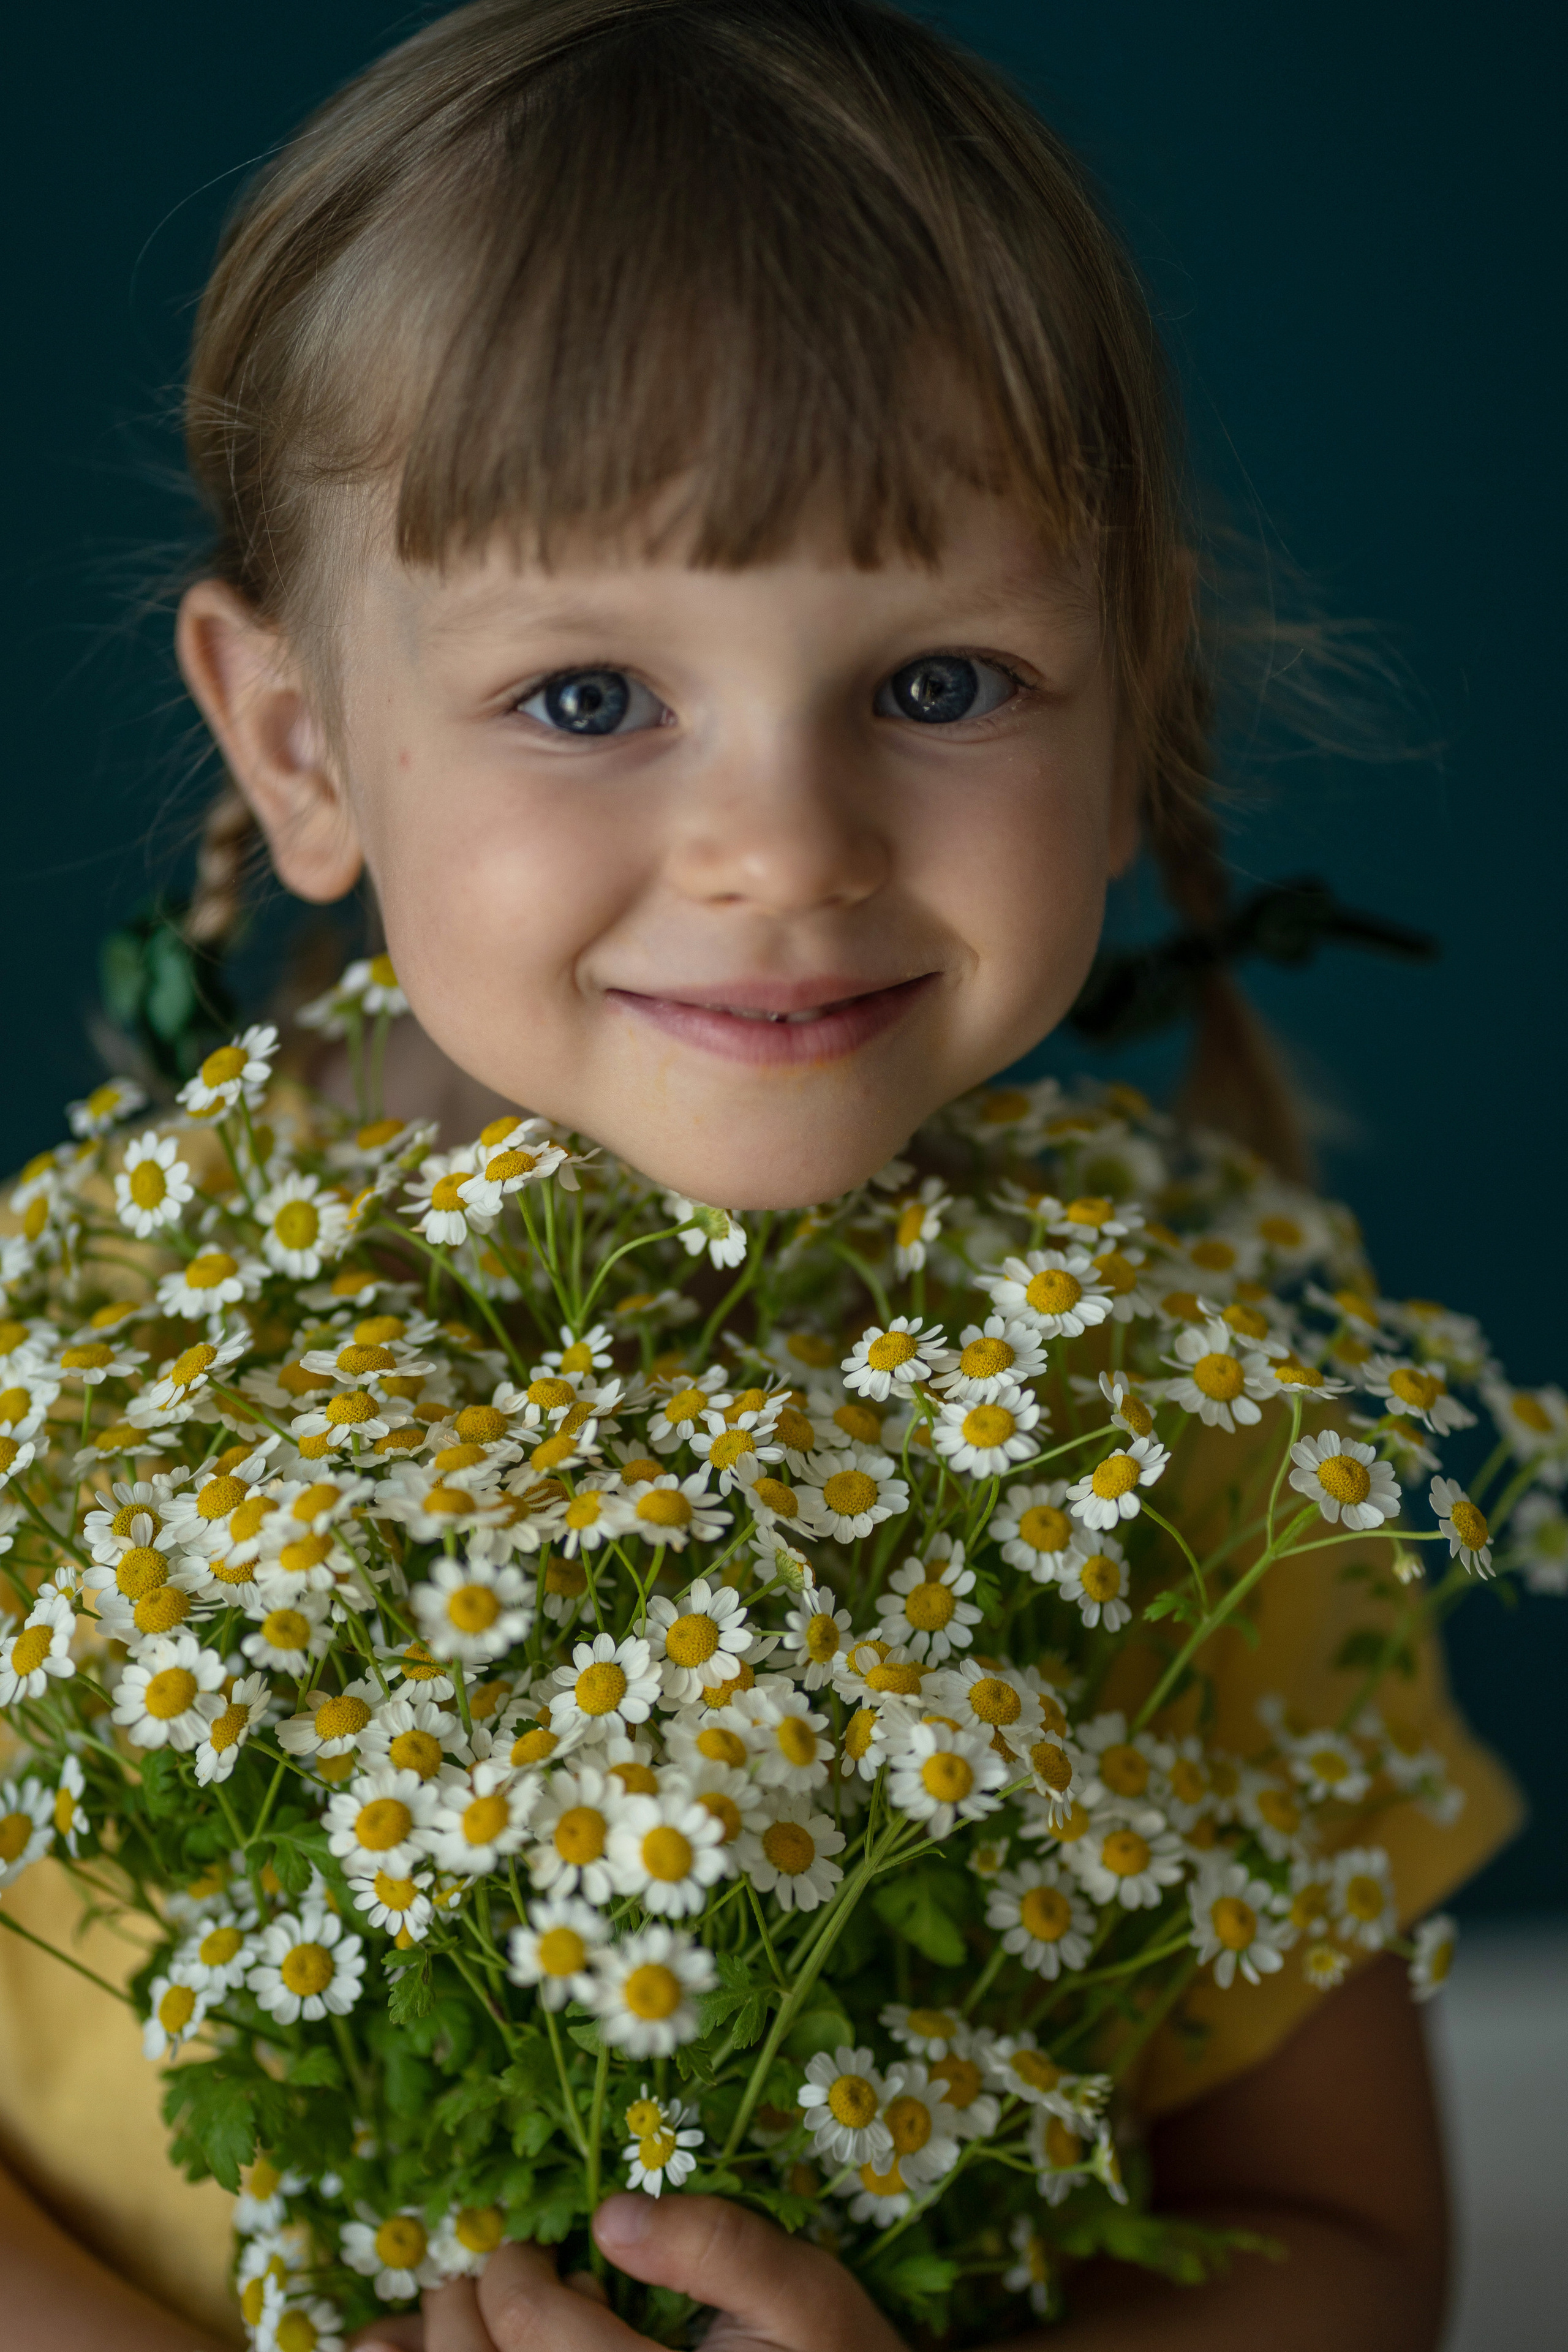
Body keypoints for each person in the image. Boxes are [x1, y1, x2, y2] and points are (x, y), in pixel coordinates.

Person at [0, 3, 1519, 2346]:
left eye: (939, 683)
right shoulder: (65, 1403)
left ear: (1134, 714)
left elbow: (1349, 2253)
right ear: (303, 742)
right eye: (591, 696)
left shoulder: (1194, 1464)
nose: (786, 847)